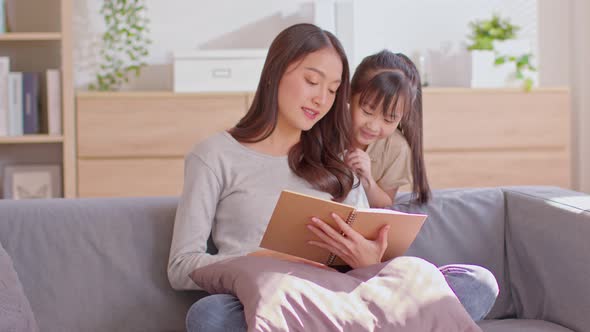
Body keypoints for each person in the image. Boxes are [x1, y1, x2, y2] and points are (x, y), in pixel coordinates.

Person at [168, 24, 497, 332]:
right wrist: (262, 259)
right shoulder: (213, 155)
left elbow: (366, 255)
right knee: (210, 316)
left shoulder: (338, 158)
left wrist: (368, 260)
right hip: (271, 294)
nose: (321, 100)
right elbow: (181, 266)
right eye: (312, 82)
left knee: (477, 283)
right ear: (274, 73)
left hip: (342, 293)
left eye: (333, 90)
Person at [345, 50, 430, 207]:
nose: (373, 126)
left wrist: (367, 181)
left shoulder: (396, 148)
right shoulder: (327, 125)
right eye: (367, 111)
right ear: (349, 94)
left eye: (389, 119)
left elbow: (385, 205)